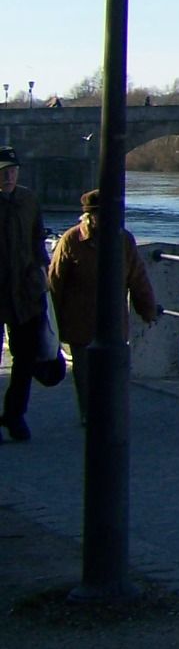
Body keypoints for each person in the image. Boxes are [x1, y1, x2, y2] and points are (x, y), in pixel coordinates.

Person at [47, 190, 160, 420]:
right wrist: (52, 325)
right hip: (79, 320)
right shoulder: (71, 240)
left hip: (113, 322)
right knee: (85, 372)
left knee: (111, 371)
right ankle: (89, 415)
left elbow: (137, 278)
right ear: (89, 217)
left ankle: (107, 413)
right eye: (100, 215)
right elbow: (55, 282)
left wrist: (147, 309)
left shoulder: (124, 240)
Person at [0, 146, 49, 442]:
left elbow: (37, 239)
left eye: (13, 171)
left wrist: (41, 271)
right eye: (3, 171)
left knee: (26, 358)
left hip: (25, 292)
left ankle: (15, 415)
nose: (8, 176)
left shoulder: (28, 199)